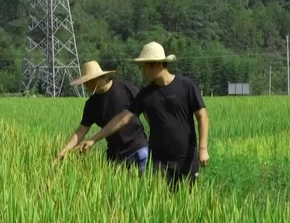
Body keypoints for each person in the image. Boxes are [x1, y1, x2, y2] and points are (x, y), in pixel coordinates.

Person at [78, 42, 208, 191]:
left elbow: (202, 116)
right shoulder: (145, 94)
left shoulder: (186, 86)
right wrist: (94, 139)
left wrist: (203, 148)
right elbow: (122, 119)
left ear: (158, 65)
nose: (143, 72)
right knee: (161, 205)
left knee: (189, 204)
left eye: (145, 67)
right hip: (159, 162)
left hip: (186, 158)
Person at [56, 60, 150, 174]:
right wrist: (65, 150)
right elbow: (81, 130)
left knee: (145, 188)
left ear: (101, 77)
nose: (88, 86)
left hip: (139, 149)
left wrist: (156, 137)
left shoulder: (124, 87)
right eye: (85, 83)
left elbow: (145, 109)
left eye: (90, 81)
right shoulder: (91, 104)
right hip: (115, 158)